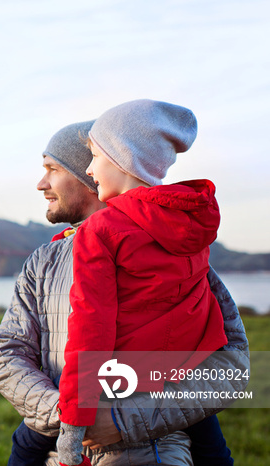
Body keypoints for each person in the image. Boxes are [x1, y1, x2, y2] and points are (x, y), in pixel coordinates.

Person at [0, 118, 250, 466]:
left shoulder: (173, 253)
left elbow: (229, 365)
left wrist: (122, 421)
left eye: (53, 169)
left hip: (156, 452)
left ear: (91, 176)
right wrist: (69, 416)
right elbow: (7, 354)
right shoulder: (42, 263)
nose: (40, 183)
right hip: (60, 450)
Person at [56, 100, 230, 466]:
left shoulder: (101, 231)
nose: (89, 170)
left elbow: (91, 328)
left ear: (123, 159)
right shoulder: (195, 223)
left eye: (95, 156)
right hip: (176, 403)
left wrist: (74, 417)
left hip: (117, 403)